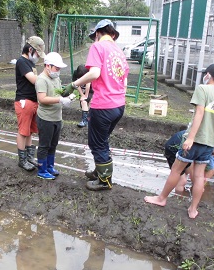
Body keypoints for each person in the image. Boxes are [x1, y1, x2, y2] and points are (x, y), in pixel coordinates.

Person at [145, 63, 214, 218]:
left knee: (177, 170)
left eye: (206, 73)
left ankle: (161, 198)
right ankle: (193, 209)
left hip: (196, 139)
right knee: (198, 176)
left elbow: (199, 114)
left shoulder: (203, 89)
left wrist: (190, 138)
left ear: (209, 75)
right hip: (209, 143)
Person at [63, 19, 129, 191]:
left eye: (95, 36)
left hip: (104, 105)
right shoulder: (119, 52)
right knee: (103, 140)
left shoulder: (98, 47)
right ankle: (100, 172)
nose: (94, 39)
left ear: (99, 33)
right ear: (113, 34)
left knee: (97, 143)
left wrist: (74, 84)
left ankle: (104, 181)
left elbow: (94, 73)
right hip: (119, 105)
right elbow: (125, 80)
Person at [35, 52, 73, 180]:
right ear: (47, 66)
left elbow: (59, 92)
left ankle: (50, 166)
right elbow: (42, 98)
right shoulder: (41, 80)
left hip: (57, 117)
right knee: (44, 144)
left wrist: (68, 95)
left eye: (59, 69)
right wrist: (60, 100)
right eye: (56, 68)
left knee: (53, 144)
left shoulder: (55, 78)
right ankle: (42, 169)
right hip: (46, 118)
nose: (58, 71)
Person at [14, 36, 46, 172]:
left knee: (30, 131)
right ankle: (22, 160)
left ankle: (29, 157)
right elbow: (34, 80)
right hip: (24, 101)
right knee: (23, 132)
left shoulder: (30, 63)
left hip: (33, 101)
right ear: (30, 49)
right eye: (38, 53)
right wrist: (46, 78)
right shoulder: (22, 62)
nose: (38, 57)